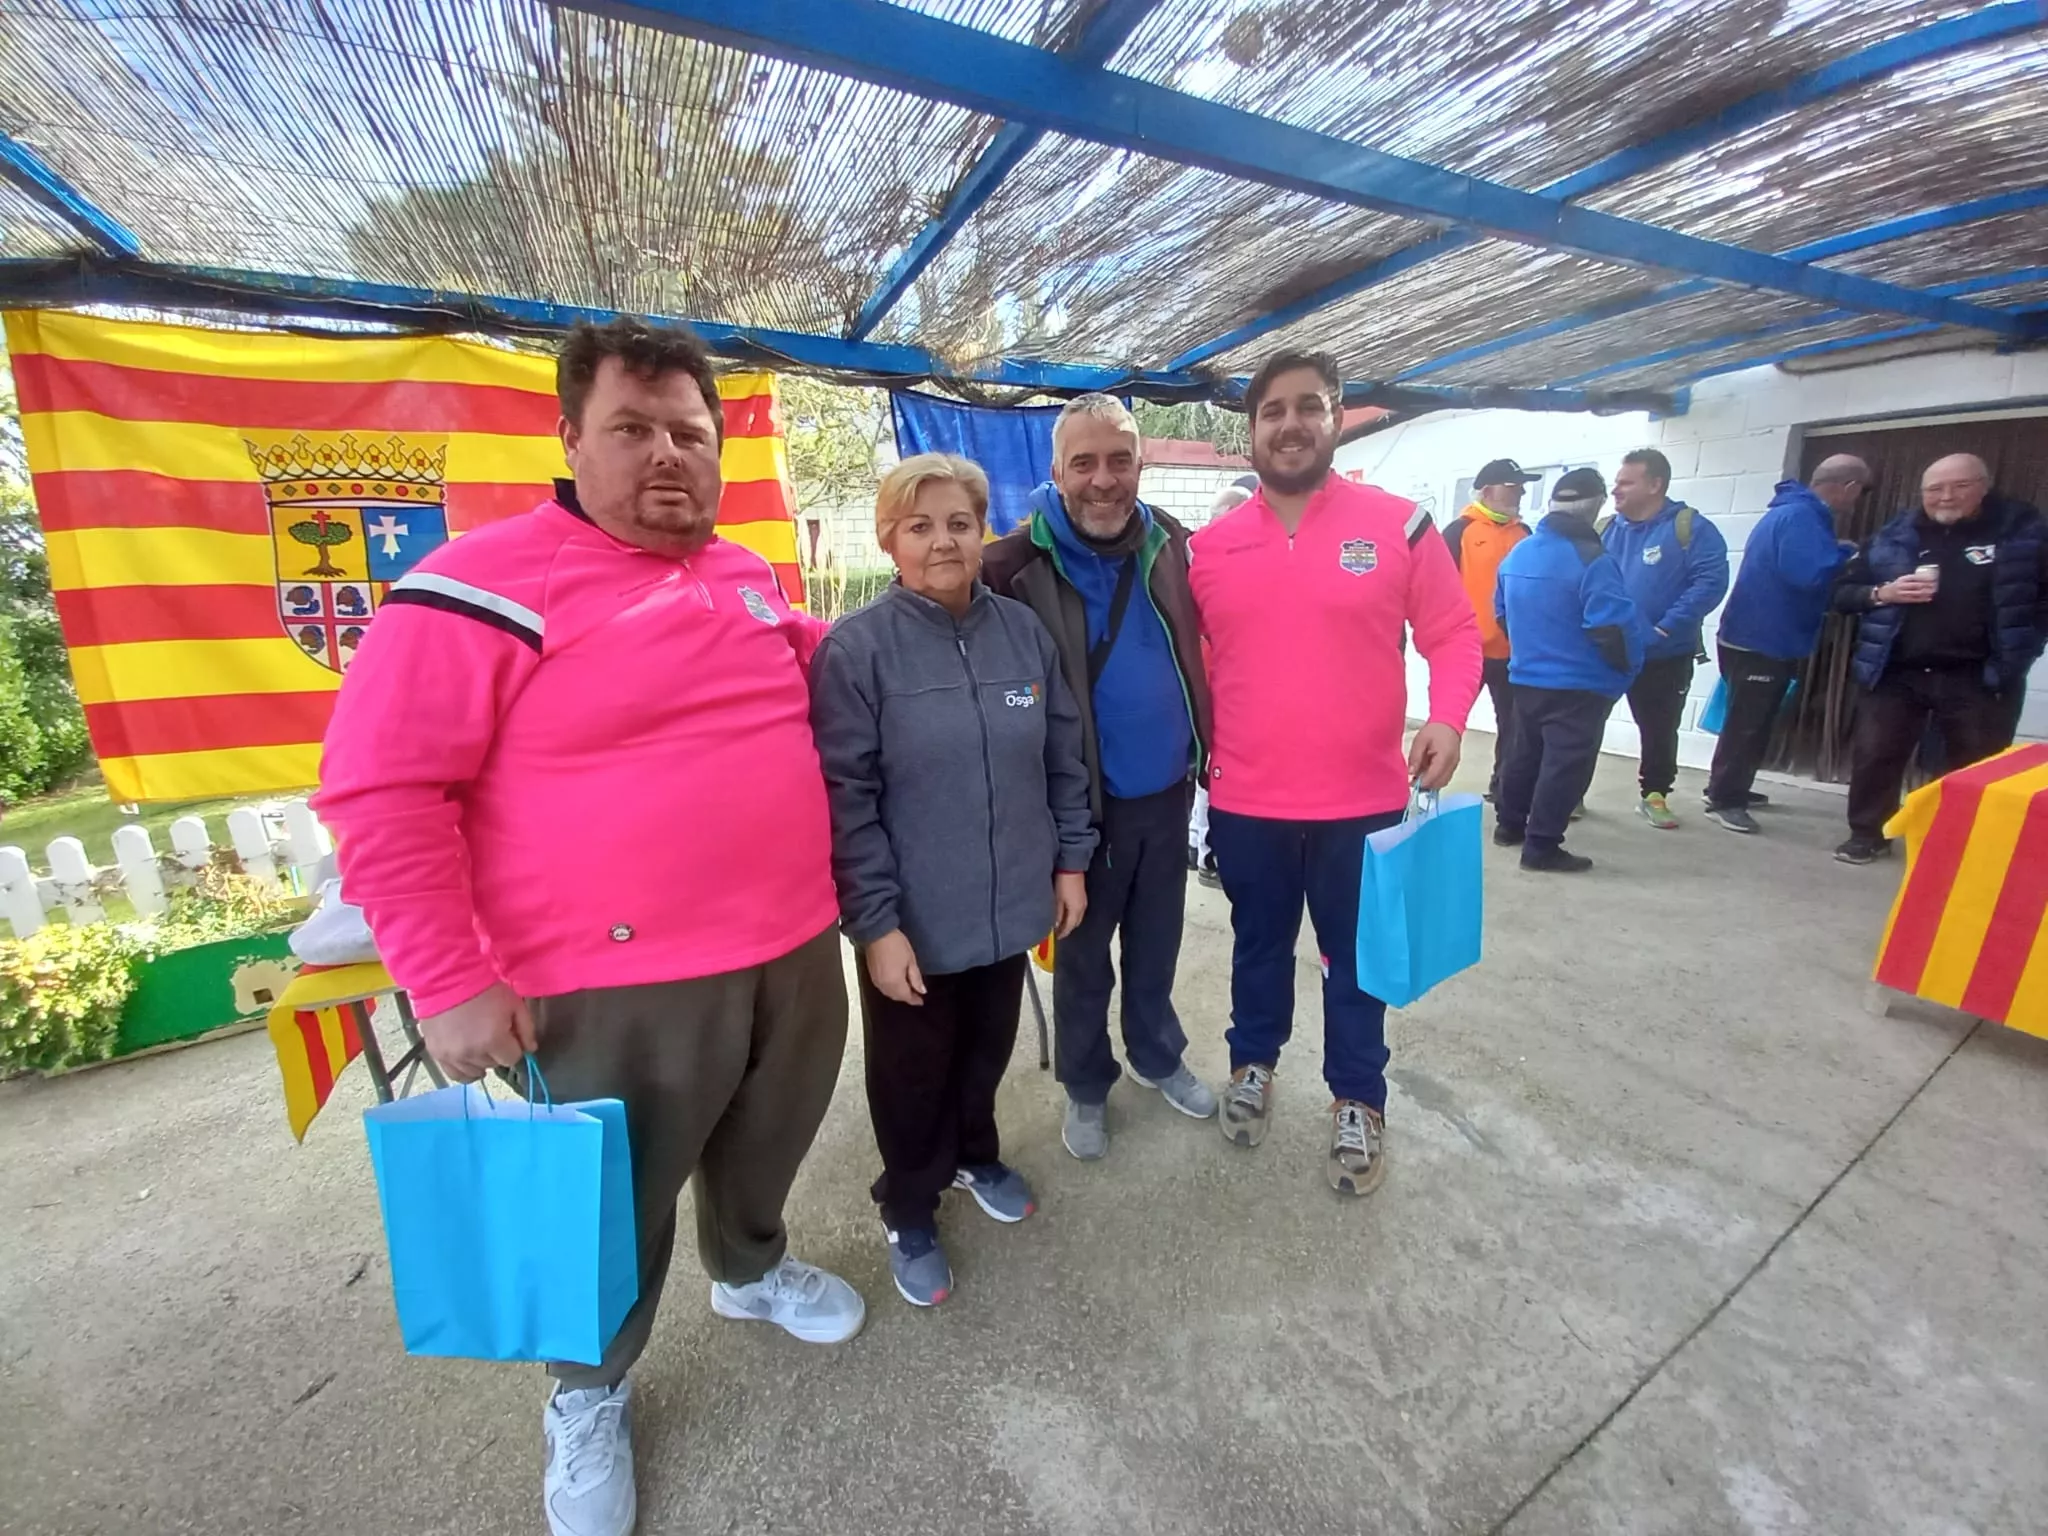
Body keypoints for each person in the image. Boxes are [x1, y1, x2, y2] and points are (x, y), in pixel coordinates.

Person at [315, 316, 864, 1536]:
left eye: (689, 432)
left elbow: (791, 671)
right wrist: (448, 979)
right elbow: (381, 788)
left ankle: (753, 1271)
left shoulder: (737, 572)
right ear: (568, 438)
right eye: (632, 429)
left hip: (789, 943)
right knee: (609, 1202)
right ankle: (589, 1391)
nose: (667, 454)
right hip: (610, 982)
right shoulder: (471, 586)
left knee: (767, 1141)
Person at [1189, 349, 1482, 1196]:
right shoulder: (1209, 549)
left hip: (1365, 803)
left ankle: (1358, 1098)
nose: (1291, 423)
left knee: (1357, 961)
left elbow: (1455, 636)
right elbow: (1196, 663)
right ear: (1251, 429)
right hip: (1247, 801)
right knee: (1258, 945)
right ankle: (1253, 1063)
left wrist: (1448, 717)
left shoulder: (1400, 526)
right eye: (1273, 409)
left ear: (1336, 417)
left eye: (1308, 406)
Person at [809, 453, 1096, 1306]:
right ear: (890, 540)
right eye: (921, 525)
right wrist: (875, 923)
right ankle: (908, 1202)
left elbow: (1061, 759)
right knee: (911, 1072)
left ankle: (975, 1155)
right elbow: (845, 799)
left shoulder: (1021, 635)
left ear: (983, 533)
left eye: (960, 524)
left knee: (986, 1050)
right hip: (914, 923)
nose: (943, 541)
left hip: (1011, 904)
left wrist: (1069, 860)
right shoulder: (857, 652)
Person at [980, 396, 1216, 1162]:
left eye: (1119, 459)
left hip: (1166, 795)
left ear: (1141, 465)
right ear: (1056, 472)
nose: (1103, 479)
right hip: (1077, 814)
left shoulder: (1173, 547)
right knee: (1083, 963)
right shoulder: (1009, 567)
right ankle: (1086, 1083)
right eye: (1084, 462)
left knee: (1157, 945)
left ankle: (1155, 1054)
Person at [1830, 453, 2048, 864]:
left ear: (1984, 485)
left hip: (1978, 674)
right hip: (1898, 669)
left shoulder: (2022, 532)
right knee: (1876, 754)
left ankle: (1959, 845)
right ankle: (1868, 833)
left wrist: (2025, 646)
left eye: (1959, 486)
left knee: (1972, 763)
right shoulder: (1897, 534)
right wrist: (1881, 594)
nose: (1945, 497)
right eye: (1934, 489)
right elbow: (1842, 592)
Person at [1702, 456, 1868, 834]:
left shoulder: (1792, 513)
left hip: (1759, 634)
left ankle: (1731, 787)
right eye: (1860, 492)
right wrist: (1848, 554)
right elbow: (1806, 573)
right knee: (1748, 723)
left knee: (1754, 721)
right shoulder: (1802, 518)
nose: (1856, 502)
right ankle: (1724, 797)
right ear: (1849, 487)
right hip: (1763, 638)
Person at [1492, 469, 1647, 872]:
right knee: (1564, 765)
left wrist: (1530, 651)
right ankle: (1541, 846)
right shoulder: (1592, 560)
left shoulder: (1519, 552)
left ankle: (1509, 826)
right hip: (1579, 683)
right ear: (1594, 506)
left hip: (1526, 676)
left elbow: (1502, 613)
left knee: (1522, 754)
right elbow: (1611, 629)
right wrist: (1626, 672)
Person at [1600, 447, 1730, 829]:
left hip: (1664, 653)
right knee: (1584, 726)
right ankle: (1570, 794)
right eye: (1616, 482)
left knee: (1659, 729)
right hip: (1606, 653)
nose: (1615, 490)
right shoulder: (1605, 529)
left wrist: (1666, 627)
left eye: (1626, 482)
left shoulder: (1690, 528)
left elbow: (1710, 582)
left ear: (1656, 484)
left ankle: (1654, 795)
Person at [1445, 458, 1538, 800]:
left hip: (1513, 653)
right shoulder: (1459, 532)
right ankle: (1421, 790)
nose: (1521, 492)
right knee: (1447, 723)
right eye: (1512, 487)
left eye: (1521, 486)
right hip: (1467, 651)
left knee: (1514, 731)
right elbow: (1437, 591)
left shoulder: (1525, 535)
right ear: (1487, 491)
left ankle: (1505, 793)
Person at [1188, 475, 1259, 889]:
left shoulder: (1260, 565)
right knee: (1207, 778)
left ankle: (1202, 847)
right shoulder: (1195, 562)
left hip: (1241, 706)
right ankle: (1203, 850)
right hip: (1208, 701)